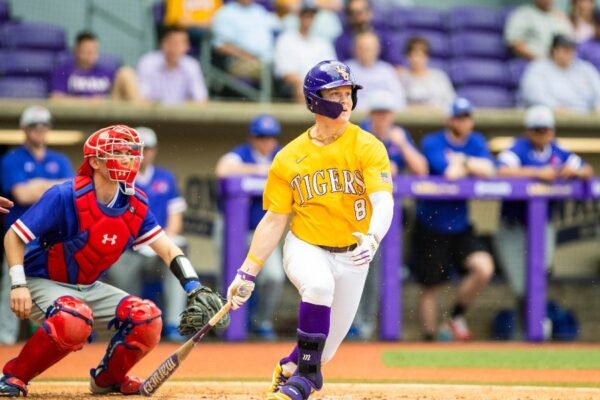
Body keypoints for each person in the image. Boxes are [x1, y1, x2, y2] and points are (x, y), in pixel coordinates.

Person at [0, 125, 228, 397]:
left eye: (130, 152)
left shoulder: (135, 203)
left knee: (148, 318)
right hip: (43, 281)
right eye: (116, 152)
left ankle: (108, 378)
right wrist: (18, 284)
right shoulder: (65, 195)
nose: (126, 158)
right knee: (73, 319)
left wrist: (194, 288)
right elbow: (14, 235)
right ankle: (14, 377)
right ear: (95, 161)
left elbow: (168, 249)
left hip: (88, 287)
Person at [225, 60, 394, 400]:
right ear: (315, 100)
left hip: (354, 253)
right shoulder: (289, 157)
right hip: (307, 246)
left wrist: (374, 237)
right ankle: (305, 383)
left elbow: (384, 202)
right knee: (317, 286)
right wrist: (247, 272)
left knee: (324, 352)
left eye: (348, 93)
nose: (345, 101)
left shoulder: (368, 145)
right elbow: (274, 220)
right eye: (336, 93)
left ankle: (291, 368)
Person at [495, 105, 593, 336]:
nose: (542, 134)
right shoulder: (518, 149)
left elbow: (587, 169)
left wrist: (575, 172)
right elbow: (501, 170)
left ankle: (535, 330)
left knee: (538, 279)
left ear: (552, 131)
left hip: (542, 227)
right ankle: (529, 330)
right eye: (537, 130)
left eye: (546, 129)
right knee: (522, 285)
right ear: (528, 131)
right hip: (512, 227)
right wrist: (537, 173)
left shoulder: (558, 152)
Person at [411, 97, 495, 342]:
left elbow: (490, 169)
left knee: (484, 268)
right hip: (432, 224)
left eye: (467, 117)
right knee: (431, 287)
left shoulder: (476, 141)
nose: (464, 122)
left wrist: (464, 161)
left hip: (460, 225)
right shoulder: (433, 141)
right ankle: (428, 338)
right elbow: (448, 173)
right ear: (449, 119)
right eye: (459, 117)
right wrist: (466, 166)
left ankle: (455, 316)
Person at [350, 91, 427, 340]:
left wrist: (403, 144)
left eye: (386, 113)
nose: (382, 118)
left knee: (380, 273)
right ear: (371, 114)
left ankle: (366, 324)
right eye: (378, 113)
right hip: (356, 215)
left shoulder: (398, 137)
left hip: (387, 220)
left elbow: (421, 171)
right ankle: (353, 322)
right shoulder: (359, 134)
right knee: (354, 270)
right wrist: (380, 170)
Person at [105, 127, 189, 342]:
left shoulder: (166, 177)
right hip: (128, 248)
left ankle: (173, 324)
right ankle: (126, 327)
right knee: (120, 278)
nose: (141, 154)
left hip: (157, 247)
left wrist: (157, 241)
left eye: (146, 148)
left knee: (177, 262)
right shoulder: (117, 178)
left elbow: (175, 221)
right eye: (135, 149)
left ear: (154, 150)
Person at [0, 106, 74, 345]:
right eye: (34, 125)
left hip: (51, 238)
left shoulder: (59, 159)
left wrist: (39, 185)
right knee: (12, 288)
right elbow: (21, 194)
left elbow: (71, 193)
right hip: (19, 237)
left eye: (44, 125)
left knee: (53, 291)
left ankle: (52, 341)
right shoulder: (12, 159)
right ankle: (5, 340)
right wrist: (53, 186)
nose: (39, 130)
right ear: (24, 129)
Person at [215, 114, 284, 340]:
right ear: (252, 138)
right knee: (227, 276)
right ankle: (224, 323)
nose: (266, 142)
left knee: (274, 276)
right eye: (261, 137)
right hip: (233, 230)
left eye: (270, 137)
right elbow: (222, 169)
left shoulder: (280, 155)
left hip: (262, 231)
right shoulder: (241, 153)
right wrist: (261, 170)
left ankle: (261, 321)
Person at [274, 0, 337, 102]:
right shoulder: (286, 39)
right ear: (299, 15)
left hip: (321, 85)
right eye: (305, 14)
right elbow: (285, 73)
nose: (308, 18)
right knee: (301, 87)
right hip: (296, 86)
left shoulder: (323, 42)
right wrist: (307, 84)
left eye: (311, 15)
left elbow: (332, 70)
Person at [519, 34, 600, 113]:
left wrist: (597, 106)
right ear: (554, 50)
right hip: (552, 118)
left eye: (572, 49)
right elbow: (532, 94)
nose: (569, 52)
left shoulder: (585, 69)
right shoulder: (538, 68)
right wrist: (553, 107)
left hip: (584, 118)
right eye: (565, 49)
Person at [51, 31, 140, 102]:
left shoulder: (105, 71)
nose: (92, 54)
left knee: (126, 72)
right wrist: (88, 101)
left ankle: (141, 115)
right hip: (79, 115)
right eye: (88, 51)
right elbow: (57, 99)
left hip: (107, 113)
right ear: (76, 50)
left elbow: (116, 96)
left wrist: (103, 101)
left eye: (94, 50)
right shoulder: (64, 71)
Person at [137, 25, 209, 105]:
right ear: (162, 44)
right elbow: (141, 97)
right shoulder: (148, 62)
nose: (174, 48)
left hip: (182, 115)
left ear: (187, 46)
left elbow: (201, 99)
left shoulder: (192, 65)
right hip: (151, 114)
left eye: (179, 44)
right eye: (171, 42)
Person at [211, 0, 280, 81]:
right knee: (274, 69)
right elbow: (221, 46)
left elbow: (280, 25)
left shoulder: (259, 11)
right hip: (238, 61)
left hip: (266, 59)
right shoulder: (225, 13)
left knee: (284, 66)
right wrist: (247, 57)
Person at [344, 30, 405, 111]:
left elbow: (399, 99)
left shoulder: (387, 70)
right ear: (354, 49)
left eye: (369, 48)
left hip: (383, 115)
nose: (365, 52)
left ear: (377, 49)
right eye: (362, 48)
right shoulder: (344, 70)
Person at [399, 36, 455, 111]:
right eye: (414, 55)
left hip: (439, 120)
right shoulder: (402, 78)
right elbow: (398, 104)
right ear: (408, 57)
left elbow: (451, 101)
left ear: (426, 57)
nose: (417, 59)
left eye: (420, 55)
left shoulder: (439, 76)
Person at [504, 0, 574, 60]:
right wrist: (542, 60)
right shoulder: (522, 14)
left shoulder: (561, 17)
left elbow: (570, 44)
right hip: (530, 63)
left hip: (559, 66)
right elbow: (516, 45)